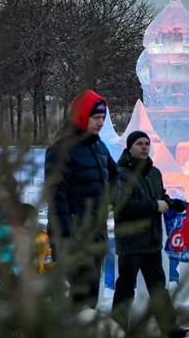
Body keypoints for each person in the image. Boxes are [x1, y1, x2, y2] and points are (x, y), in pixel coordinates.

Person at [112, 131, 189, 338]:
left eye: (147, 144)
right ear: (129, 147)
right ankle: (116, 330)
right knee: (125, 290)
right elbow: (122, 206)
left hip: (152, 241)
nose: (144, 147)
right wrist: (153, 205)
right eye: (139, 144)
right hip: (131, 241)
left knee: (159, 289)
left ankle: (170, 328)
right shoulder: (121, 173)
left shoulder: (154, 172)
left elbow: (161, 197)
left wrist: (173, 203)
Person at [45, 89, 120, 309]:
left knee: (89, 298)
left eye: (103, 118)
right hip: (73, 232)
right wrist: (64, 237)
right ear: (81, 116)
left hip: (96, 231)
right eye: (96, 117)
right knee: (83, 292)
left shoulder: (98, 146)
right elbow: (55, 195)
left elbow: (115, 175)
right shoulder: (62, 148)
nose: (100, 123)